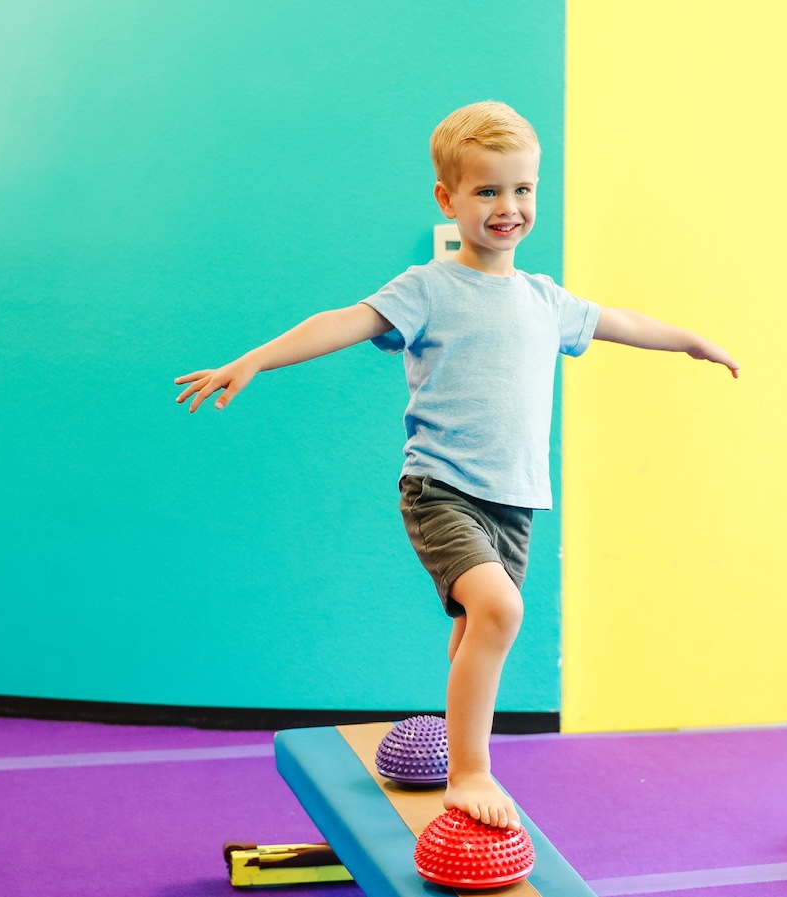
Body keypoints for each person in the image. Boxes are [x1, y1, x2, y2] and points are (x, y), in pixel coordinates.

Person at [175, 101, 739, 830]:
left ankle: (456, 747)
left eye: (523, 190)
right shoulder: (428, 287)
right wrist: (253, 360)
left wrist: (689, 339)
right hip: (441, 488)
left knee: (477, 624)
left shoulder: (544, 299)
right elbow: (342, 321)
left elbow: (619, 321)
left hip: (516, 500)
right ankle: (471, 769)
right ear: (448, 199)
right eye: (487, 191)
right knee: (501, 610)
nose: (509, 207)